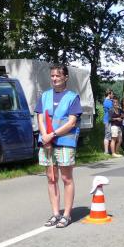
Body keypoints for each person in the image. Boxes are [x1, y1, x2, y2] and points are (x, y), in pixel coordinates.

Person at [36, 65, 82, 229]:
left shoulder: (72, 97)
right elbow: (40, 118)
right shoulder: (44, 96)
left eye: (58, 76)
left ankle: (66, 215)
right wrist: (45, 136)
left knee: (66, 178)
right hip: (47, 142)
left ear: (65, 77)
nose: (54, 78)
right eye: (52, 76)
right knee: (51, 178)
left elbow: (71, 122)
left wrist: (52, 135)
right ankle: (56, 213)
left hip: (64, 142)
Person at [102, 89, 114, 155]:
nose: (113, 95)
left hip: (109, 120)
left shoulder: (109, 101)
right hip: (107, 120)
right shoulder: (107, 101)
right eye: (112, 94)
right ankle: (106, 151)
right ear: (109, 94)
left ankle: (109, 150)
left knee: (110, 135)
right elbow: (112, 110)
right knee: (107, 135)